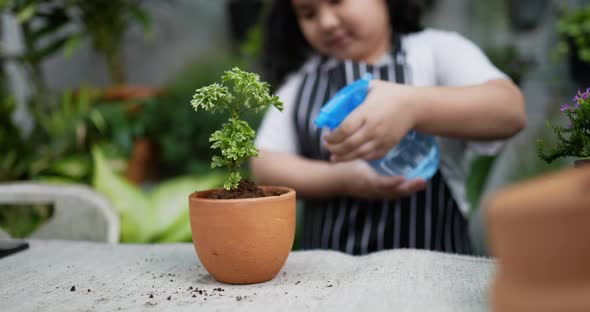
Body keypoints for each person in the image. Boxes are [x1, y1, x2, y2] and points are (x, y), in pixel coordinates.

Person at [251, 0, 526, 255]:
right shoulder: (300, 82)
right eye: (308, 13)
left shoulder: (434, 52)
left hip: (431, 274)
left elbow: (509, 110)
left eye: (337, 0)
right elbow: (265, 165)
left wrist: (413, 106)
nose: (327, 22)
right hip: (330, 282)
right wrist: (340, 179)